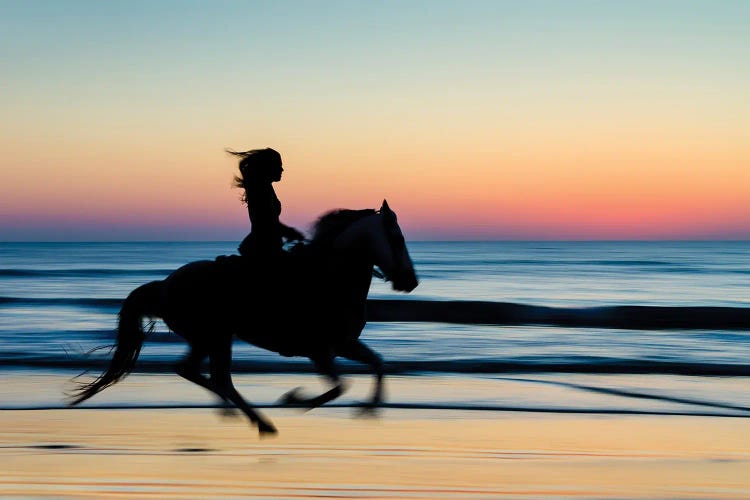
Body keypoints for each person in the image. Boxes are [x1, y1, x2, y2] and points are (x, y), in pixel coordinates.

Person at [228, 147, 305, 264]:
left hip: (269, 246)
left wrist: (287, 232)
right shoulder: (260, 190)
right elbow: (265, 222)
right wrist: (290, 232)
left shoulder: (266, 187)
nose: (282, 169)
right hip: (264, 251)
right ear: (268, 167)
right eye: (278, 165)